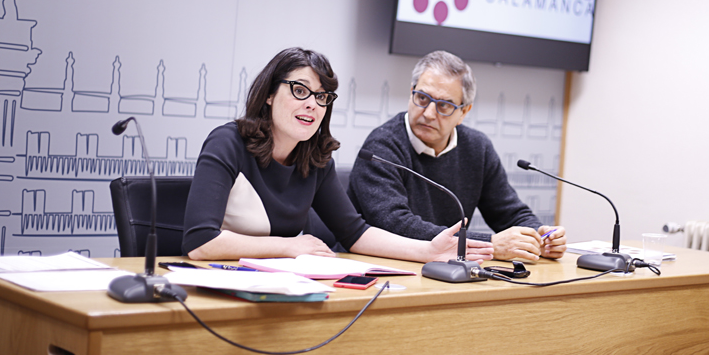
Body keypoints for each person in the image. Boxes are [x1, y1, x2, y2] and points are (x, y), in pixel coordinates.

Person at [181, 47, 493, 264]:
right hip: (215, 280)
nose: (311, 104)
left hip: (277, 284)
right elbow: (200, 242)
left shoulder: (314, 159)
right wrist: (290, 246)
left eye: (321, 97)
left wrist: (428, 251)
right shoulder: (227, 143)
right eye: (299, 90)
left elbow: (355, 233)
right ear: (270, 94)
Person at [347, 50, 566, 262]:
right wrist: (489, 244)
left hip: (445, 268)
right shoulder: (381, 147)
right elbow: (394, 224)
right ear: (411, 92)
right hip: (382, 266)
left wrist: (539, 236)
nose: (429, 113)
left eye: (444, 105)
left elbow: (508, 212)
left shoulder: (477, 148)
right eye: (422, 98)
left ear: (464, 112)